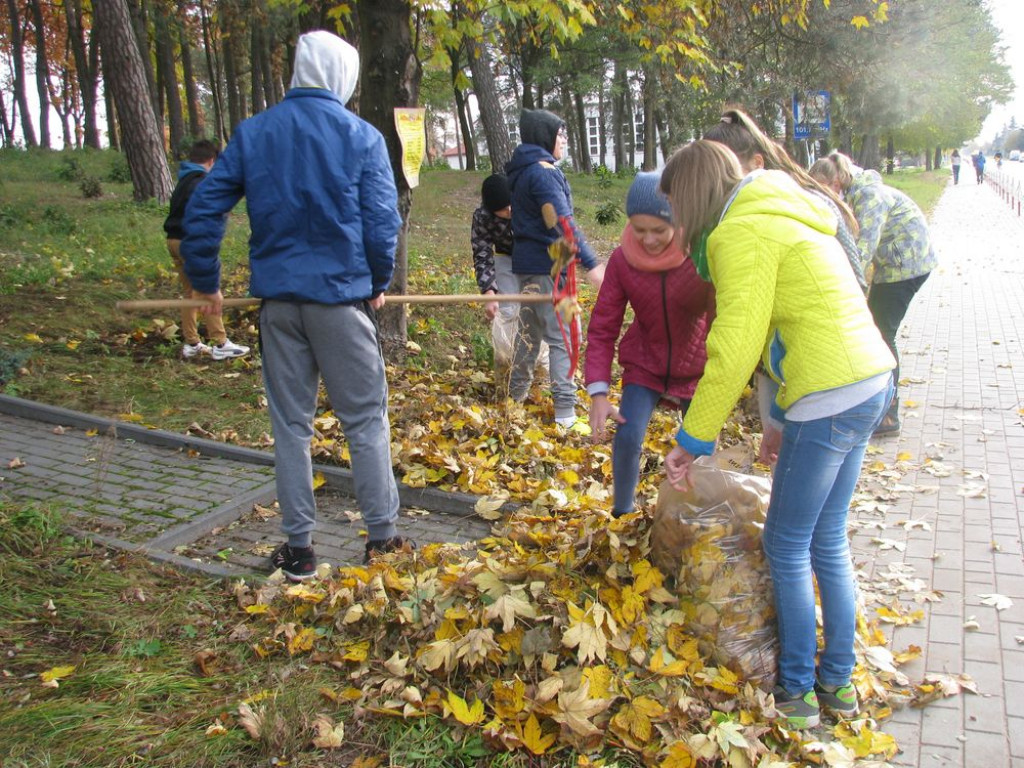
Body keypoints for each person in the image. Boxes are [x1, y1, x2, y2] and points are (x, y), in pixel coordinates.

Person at [660, 140, 895, 729]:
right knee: (828, 538)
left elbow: (735, 346)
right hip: (869, 381)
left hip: (829, 394)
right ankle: (837, 685)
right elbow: (784, 327)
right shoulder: (781, 212)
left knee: (786, 545)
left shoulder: (740, 233)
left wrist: (693, 439)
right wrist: (776, 421)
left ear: (692, 197)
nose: (677, 224)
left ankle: (796, 693)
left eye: (675, 210)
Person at [181, 30, 412, 581]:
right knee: (365, 421)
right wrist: (378, 281)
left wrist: (206, 281)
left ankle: (300, 551)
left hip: (280, 306)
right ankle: (382, 540)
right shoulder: (361, 136)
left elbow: (203, 206)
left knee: (290, 425)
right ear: (342, 76)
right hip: (340, 303)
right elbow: (383, 223)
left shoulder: (254, 133)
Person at [584, 171, 712, 517]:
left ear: (679, 222)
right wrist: (598, 390)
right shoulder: (623, 261)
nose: (649, 240)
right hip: (646, 361)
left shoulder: (701, 256)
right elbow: (602, 327)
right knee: (627, 436)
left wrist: (723, 371)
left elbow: (721, 317)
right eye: (639, 230)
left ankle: (697, 515)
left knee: (701, 446)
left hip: (698, 364)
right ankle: (622, 511)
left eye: (659, 230)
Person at [808, 151, 938, 435]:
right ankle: (881, 406)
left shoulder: (868, 197)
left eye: (824, 189)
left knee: (881, 333)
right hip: (895, 263)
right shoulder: (855, 193)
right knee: (878, 330)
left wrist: (841, 293)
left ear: (836, 181)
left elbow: (862, 250)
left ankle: (889, 415)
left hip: (905, 264)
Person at [505, 108, 605, 427]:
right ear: (546, 137)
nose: (563, 141)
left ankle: (513, 403)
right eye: (560, 135)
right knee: (566, 336)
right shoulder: (543, 172)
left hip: (531, 267)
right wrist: (591, 262)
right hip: (551, 270)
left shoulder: (522, 171)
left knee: (528, 335)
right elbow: (562, 222)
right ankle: (565, 415)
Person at [703, 108, 866, 291]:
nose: (718, 184)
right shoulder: (736, 212)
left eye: (726, 172)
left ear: (757, 163)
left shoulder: (809, 201)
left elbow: (856, 279)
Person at [163, 140, 250, 361]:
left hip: (172, 240)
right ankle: (220, 342)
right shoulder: (201, 183)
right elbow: (203, 217)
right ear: (212, 161)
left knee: (190, 293)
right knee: (206, 291)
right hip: (188, 243)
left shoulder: (184, 180)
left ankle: (192, 342)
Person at [470, 174, 547, 384]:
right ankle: (508, 366)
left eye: (510, 205)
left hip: (536, 257)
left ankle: (543, 370)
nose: (509, 211)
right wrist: (489, 292)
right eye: (503, 210)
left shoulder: (530, 205)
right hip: (505, 258)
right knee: (508, 310)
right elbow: (482, 254)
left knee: (540, 310)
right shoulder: (482, 217)